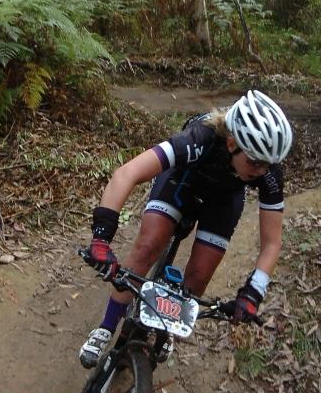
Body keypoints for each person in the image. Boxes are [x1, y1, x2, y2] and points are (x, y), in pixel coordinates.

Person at [79, 90, 293, 368]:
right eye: (255, 162)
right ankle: (106, 327)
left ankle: (165, 330)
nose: (262, 171)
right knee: (148, 247)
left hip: (224, 200)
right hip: (183, 180)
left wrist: (254, 293)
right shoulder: (199, 139)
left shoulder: (267, 172)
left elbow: (272, 244)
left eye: (268, 164)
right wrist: (101, 239)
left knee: (199, 276)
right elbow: (126, 174)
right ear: (231, 143)